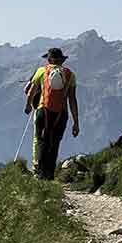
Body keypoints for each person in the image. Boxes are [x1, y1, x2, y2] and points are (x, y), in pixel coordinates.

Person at [24, 46, 79, 179]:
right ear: (62, 60)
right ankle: (49, 175)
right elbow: (72, 99)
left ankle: (39, 173)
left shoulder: (41, 71)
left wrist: (28, 106)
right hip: (61, 114)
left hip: (43, 111)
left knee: (42, 140)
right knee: (54, 143)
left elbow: (31, 91)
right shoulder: (70, 75)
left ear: (48, 59)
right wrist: (76, 122)